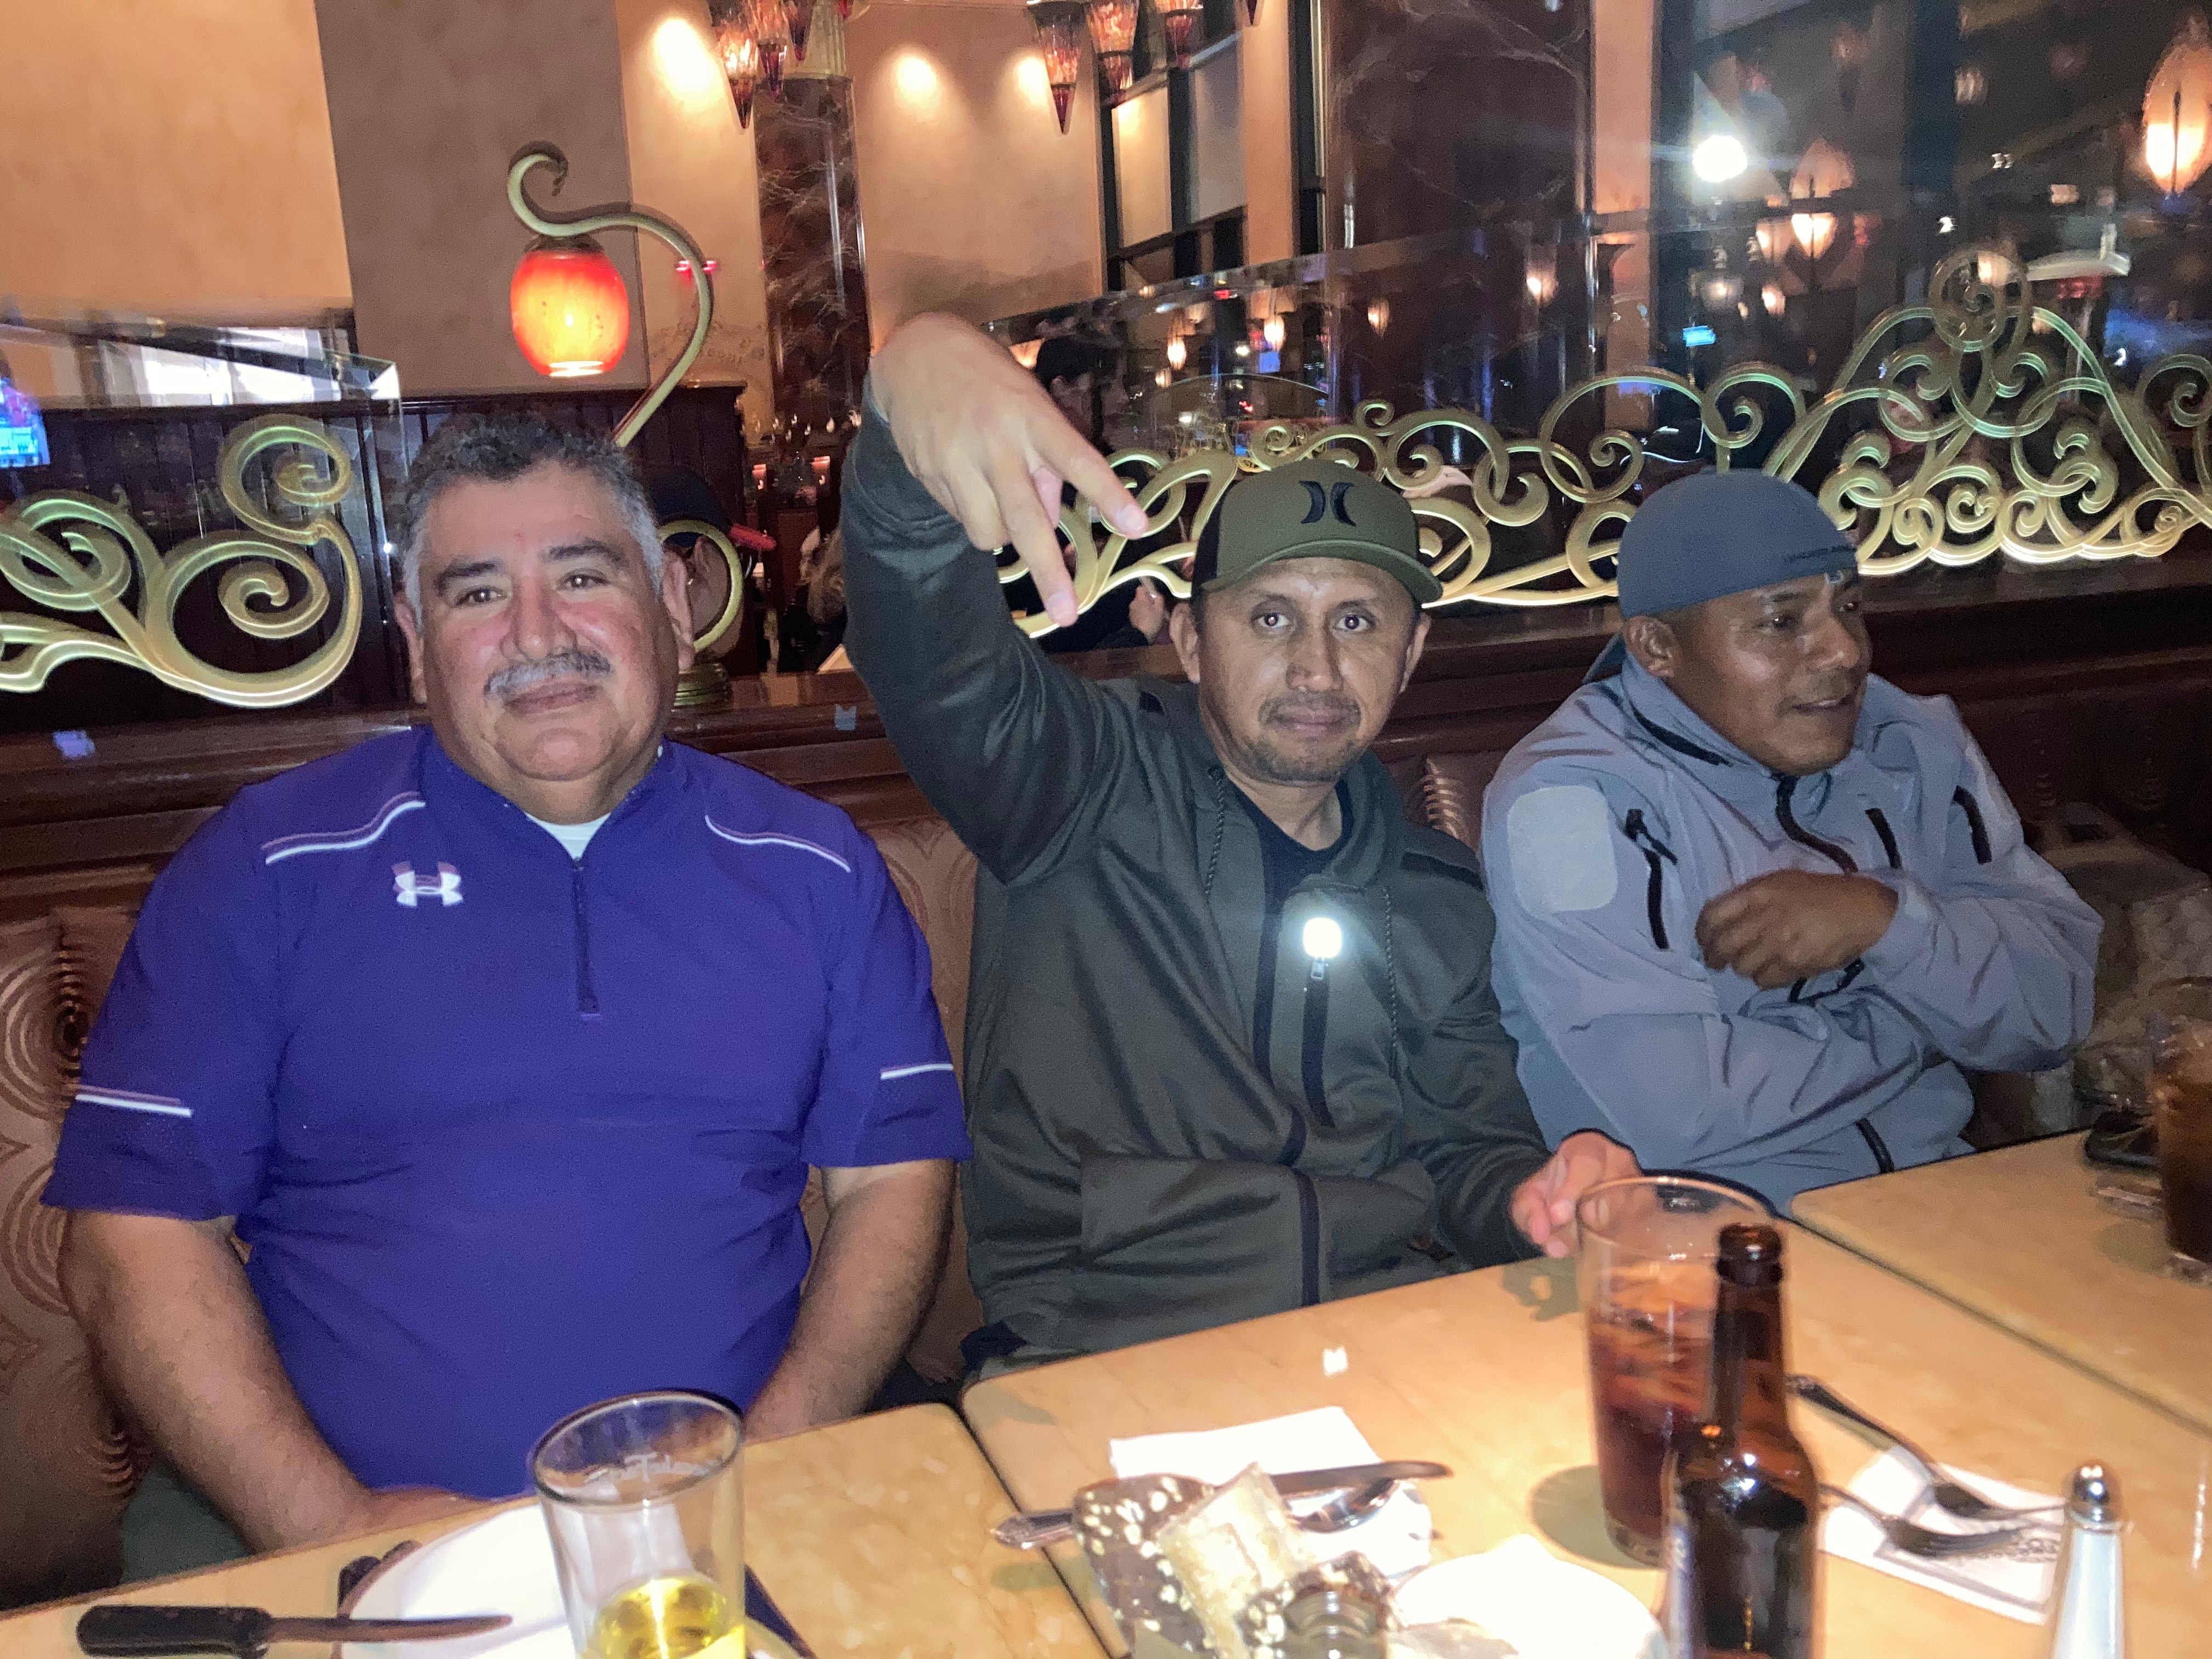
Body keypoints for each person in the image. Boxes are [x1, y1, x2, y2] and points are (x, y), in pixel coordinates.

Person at [46, 414, 970, 1558]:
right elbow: (132, 1235)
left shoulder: (816, 867)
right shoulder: (268, 868)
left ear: (673, 605)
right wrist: (333, 1523)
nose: (538, 634)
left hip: (745, 1510)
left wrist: (768, 1468)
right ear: (416, 644)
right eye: (477, 594)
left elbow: (890, 1184)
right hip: (342, 1537)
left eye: (582, 576)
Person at [843, 314, 1638, 1367]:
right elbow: (928, 654)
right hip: (1111, 1353)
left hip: (1388, 1335)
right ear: (1188, 639)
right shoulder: (1075, 787)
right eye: (1269, 618)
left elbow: (1469, 1154)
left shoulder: (1434, 888)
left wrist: (1549, 1196)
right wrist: (908, 390)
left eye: (1357, 621)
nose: (1316, 667)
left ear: (1411, 654)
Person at [1482, 470, 2100, 1211]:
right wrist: (1928, 1017)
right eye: (1782, 621)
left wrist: (1886, 920)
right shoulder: (1568, 802)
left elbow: (2056, 1010)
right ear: (1656, 647)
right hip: (1712, 1232)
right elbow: (1675, 1111)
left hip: (1945, 1199)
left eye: (1850, 608)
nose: (1844, 652)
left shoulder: (1911, 742)